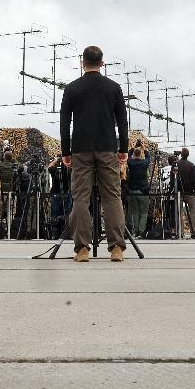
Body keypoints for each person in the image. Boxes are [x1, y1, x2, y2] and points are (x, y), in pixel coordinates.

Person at [59, 45, 129, 263]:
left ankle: (82, 249)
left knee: (80, 198)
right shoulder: (114, 88)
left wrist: (66, 151)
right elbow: (122, 121)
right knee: (112, 197)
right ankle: (116, 247)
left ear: (82, 63)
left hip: (80, 149)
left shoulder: (71, 88)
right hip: (107, 147)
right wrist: (124, 148)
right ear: (102, 63)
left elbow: (64, 122)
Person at [124, 147, 150, 237]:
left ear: (134, 154)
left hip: (133, 191)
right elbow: (148, 157)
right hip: (143, 191)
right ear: (140, 154)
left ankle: (135, 231)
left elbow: (127, 156)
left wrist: (132, 148)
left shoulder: (131, 163)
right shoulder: (144, 163)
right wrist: (144, 148)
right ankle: (141, 231)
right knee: (143, 213)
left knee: (135, 212)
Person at [174, 147, 195, 239]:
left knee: (179, 212)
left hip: (179, 191)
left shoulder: (176, 164)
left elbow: (173, 178)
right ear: (188, 155)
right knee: (192, 212)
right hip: (189, 192)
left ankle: (181, 232)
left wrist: (173, 189)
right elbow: (194, 178)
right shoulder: (191, 165)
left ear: (181, 154)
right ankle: (193, 231)